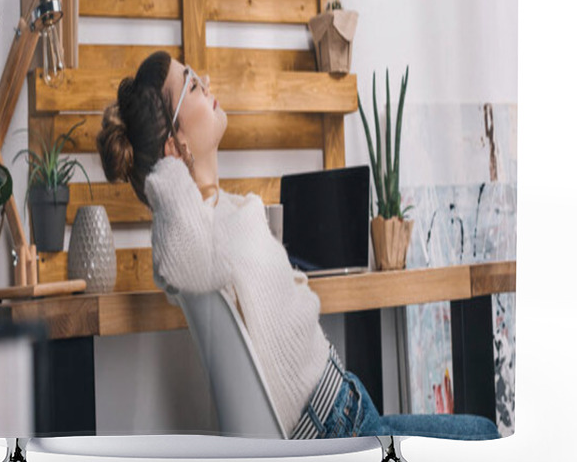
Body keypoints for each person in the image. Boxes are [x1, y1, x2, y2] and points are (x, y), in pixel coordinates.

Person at [96, 50, 499, 441]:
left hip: (345, 405)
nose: (208, 83)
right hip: (337, 428)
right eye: (195, 86)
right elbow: (178, 256)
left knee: (481, 432)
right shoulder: (201, 235)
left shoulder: (222, 215)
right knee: (485, 436)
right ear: (175, 142)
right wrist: (166, 167)